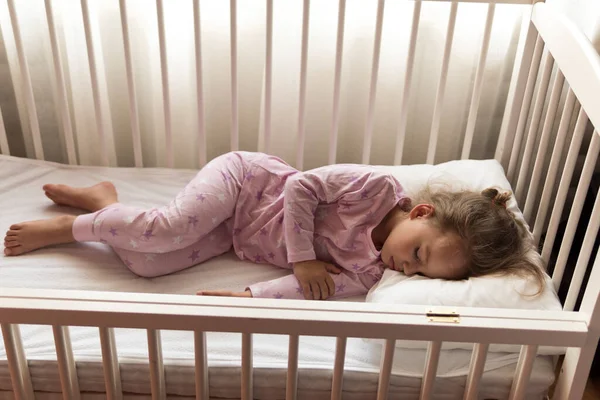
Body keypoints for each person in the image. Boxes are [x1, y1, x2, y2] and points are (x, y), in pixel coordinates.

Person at [2, 151, 544, 300]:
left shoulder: (369, 270)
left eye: (423, 275)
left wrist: (251, 295)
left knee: (147, 262)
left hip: (238, 235)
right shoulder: (375, 189)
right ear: (421, 214)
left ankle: (104, 200)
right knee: (165, 229)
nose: (407, 267)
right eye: (419, 254)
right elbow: (299, 187)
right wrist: (305, 254)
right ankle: (72, 228)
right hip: (246, 185)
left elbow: (312, 290)